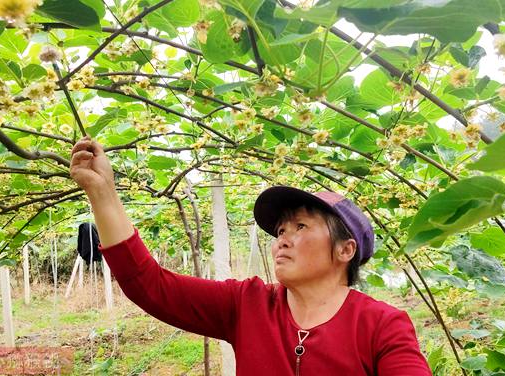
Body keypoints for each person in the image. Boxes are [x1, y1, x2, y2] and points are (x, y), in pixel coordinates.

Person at [70, 136, 432, 375]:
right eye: (280, 232)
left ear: (345, 249)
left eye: (301, 228)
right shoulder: (247, 304)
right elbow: (151, 285)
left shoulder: (382, 325)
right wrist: (104, 195)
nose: (283, 241)